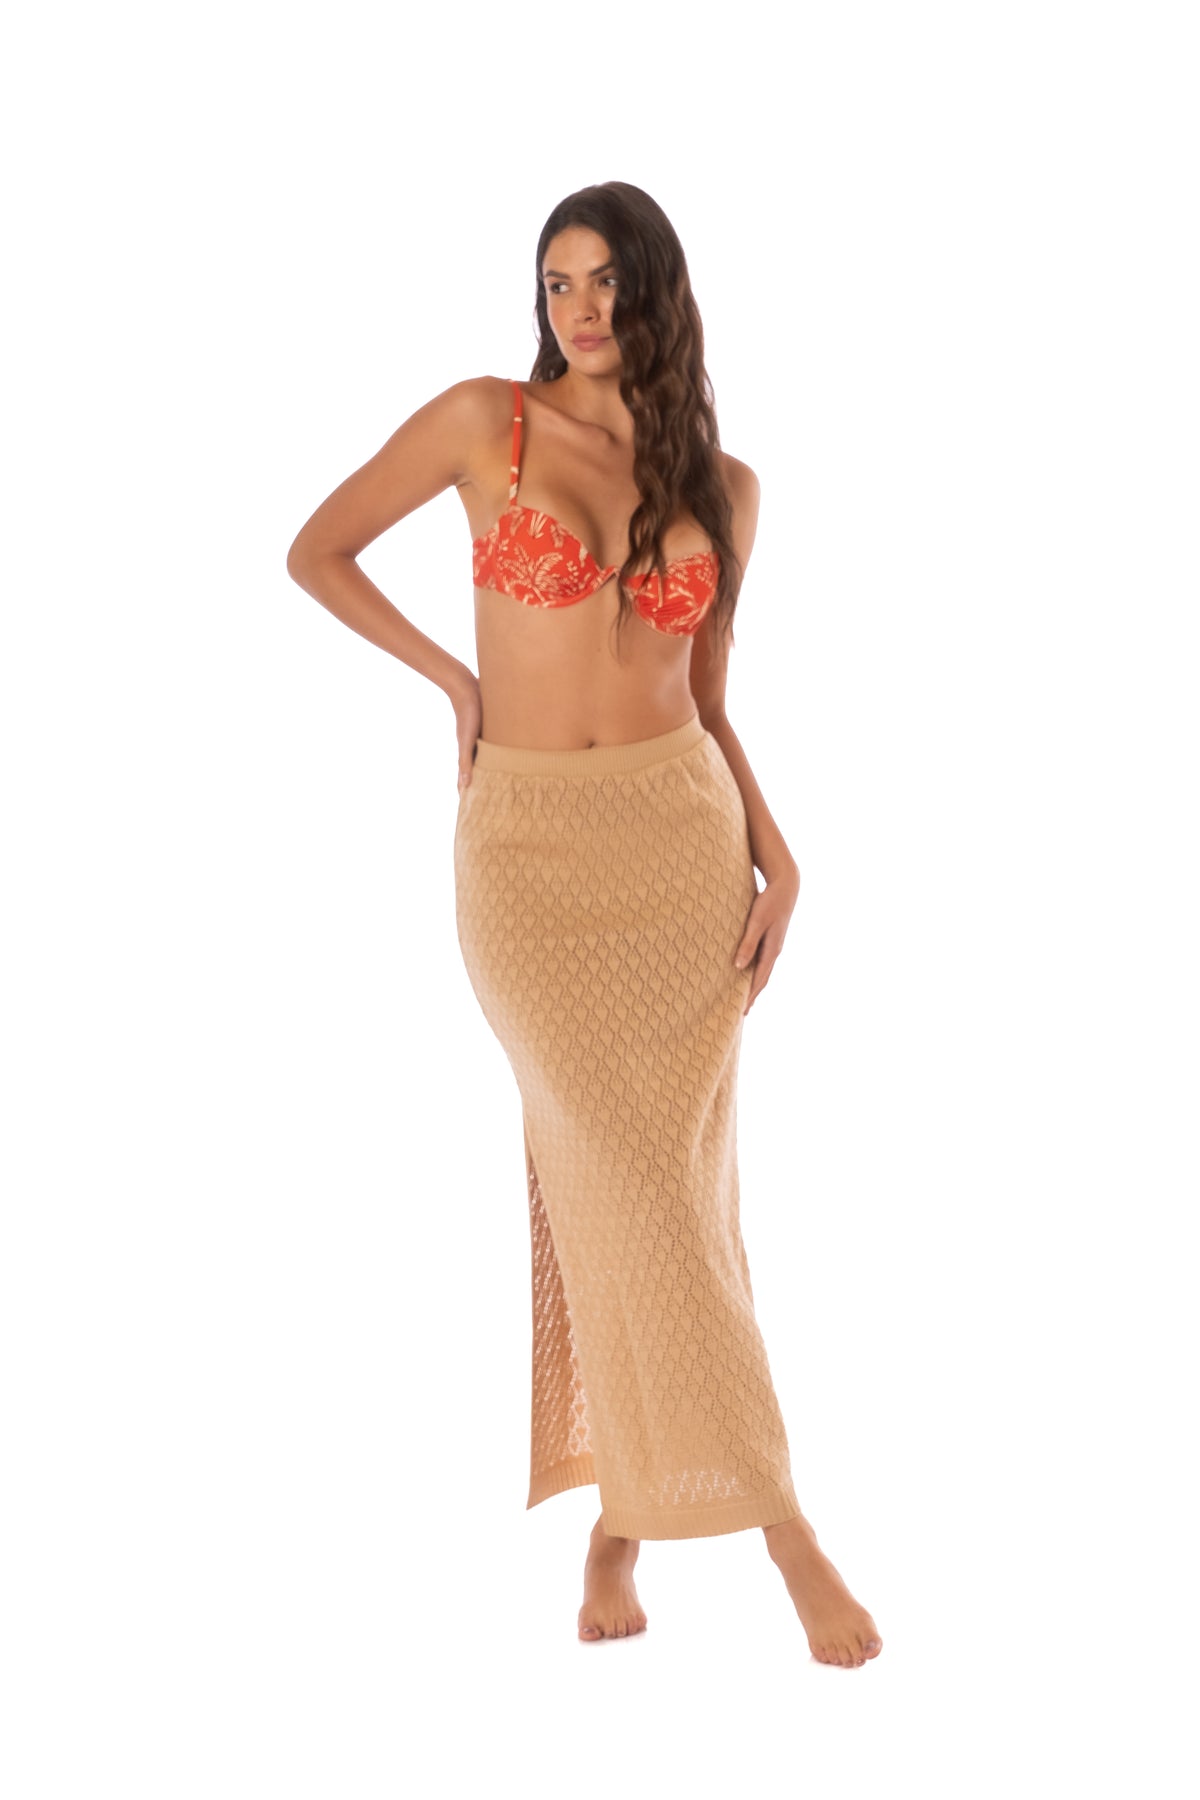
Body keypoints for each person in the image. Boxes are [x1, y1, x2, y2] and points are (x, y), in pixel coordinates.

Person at [286, 180, 882, 1667]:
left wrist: (780, 856)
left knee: (669, 1187)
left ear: (657, 290)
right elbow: (317, 550)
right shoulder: (484, 422)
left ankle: (625, 1517)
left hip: (684, 848)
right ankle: (788, 1529)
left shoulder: (726, 483)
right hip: (530, 859)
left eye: (607, 280)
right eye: (558, 283)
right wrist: (454, 680)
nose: (582, 309)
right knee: (631, 1179)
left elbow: (710, 699)